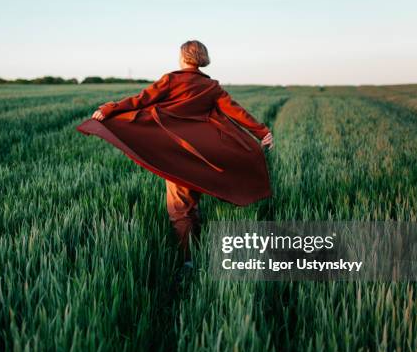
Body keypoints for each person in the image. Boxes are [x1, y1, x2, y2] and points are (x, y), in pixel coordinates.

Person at [77, 40, 273, 267]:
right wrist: (262, 131)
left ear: (183, 57)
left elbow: (140, 101)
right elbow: (237, 112)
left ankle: (188, 261)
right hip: (202, 156)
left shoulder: (171, 79)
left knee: (179, 209)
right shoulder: (212, 87)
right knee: (191, 204)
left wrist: (110, 108)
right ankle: (197, 249)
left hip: (177, 155)